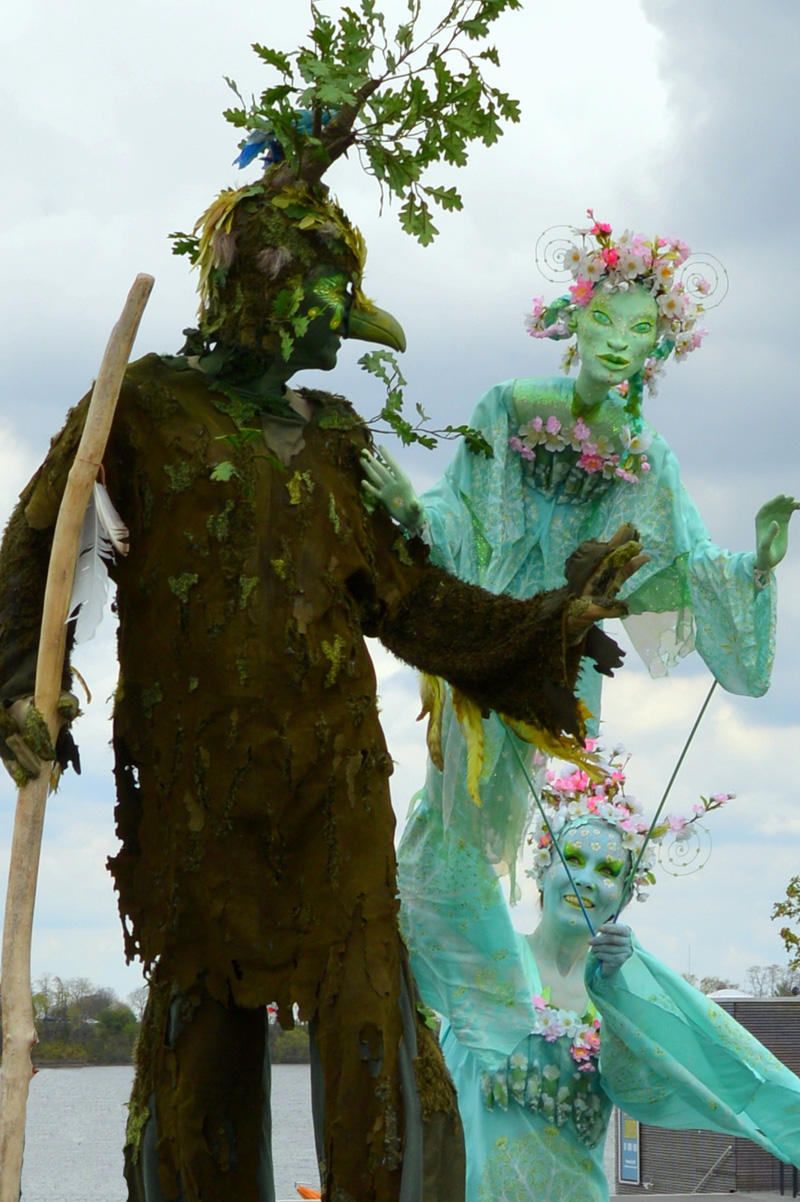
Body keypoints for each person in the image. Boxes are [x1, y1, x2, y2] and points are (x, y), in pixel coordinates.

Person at [0, 144, 647, 1201]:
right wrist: (21, 693)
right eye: (327, 291)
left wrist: (547, 622)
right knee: (201, 1026)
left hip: (334, 791)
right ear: (260, 291)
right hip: (194, 792)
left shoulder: (332, 435)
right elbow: (38, 545)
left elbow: (410, 600)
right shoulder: (145, 407)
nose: (345, 320)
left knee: (367, 1031)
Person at [363, 215, 798, 872]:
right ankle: (434, 928)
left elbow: (689, 557)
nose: (620, 342)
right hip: (487, 620)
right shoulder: (509, 405)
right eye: (606, 321)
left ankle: (496, 950)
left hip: (566, 640)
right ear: (576, 317)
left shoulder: (648, 455)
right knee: (451, 796)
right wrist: (412, 512)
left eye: (641, 329)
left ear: (660, 344)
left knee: (526, 804)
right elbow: (460, 508)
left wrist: (758, 566)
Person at [397, 753, 800, 1201]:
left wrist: (618, 992)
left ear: (625, 894)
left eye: (607, 871)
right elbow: (432, 881)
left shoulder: (621, 994)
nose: (585, 879)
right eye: (573, 859)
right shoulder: (490, 960)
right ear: (543, 868)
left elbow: (639, 1092)